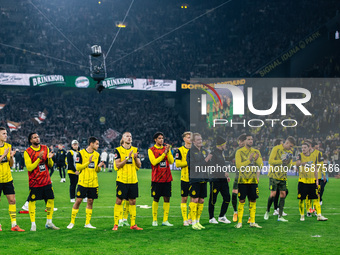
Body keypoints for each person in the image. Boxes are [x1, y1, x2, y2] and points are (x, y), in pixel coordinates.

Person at [67, 137, 104, 229]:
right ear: (91, 144)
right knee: (78, 201)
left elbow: (96, 170)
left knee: (90, 201)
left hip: (93, 182)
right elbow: (78, 168)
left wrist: (99, 167)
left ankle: (87, 223)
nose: (98, 146)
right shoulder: (81, 153)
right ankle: (72, 222)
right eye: (97, 144)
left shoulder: (97, 155)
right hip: (83, 182)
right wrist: (88, 162)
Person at [24, 132, 59, 231]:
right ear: (30, 140)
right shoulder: (27, 152)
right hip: (35, 182)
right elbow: (30, 167)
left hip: (46, 181)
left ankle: (49, 222)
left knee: (50, 200)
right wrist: (38, 158)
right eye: (35, 138)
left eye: (38, 137)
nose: (37, 139)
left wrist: (50, 159)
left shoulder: (45, 148)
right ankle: (33, 224)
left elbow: (50, 165)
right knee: (32, 201)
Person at [112, 132, 143, 231]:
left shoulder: (135, 150)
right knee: (119, 201)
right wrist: (127, 158)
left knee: (133, 201)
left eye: (130, 136)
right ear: (123, 138)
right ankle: (116, 224)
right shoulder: (117, 150)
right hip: (122, 180)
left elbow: (139, 165)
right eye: (127, 136)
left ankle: (133, 224)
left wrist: (135, 158)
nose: (129, 138)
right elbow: (117, 165)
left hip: (133, 180)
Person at [235, 134, 263, 229]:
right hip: (242, 180)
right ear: (245, 141)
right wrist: (249, 160)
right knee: (241, 200)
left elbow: (261, 165)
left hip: (253, 180)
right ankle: (239, 222)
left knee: (253, 200)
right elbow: (238, 166)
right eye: (248, 139)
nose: (251, 141)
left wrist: (257, 159)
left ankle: (253, 222)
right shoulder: (239, 152)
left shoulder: (256, 151)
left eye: (252, 139)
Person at [264, 137, 295, 222]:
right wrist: (282, 161)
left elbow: (288, 166)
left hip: (283, 175)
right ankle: (267, 211)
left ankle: (280, 216)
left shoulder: (289, 152)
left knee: (283, 194)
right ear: (287, 143)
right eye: (290, 146)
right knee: (273, 194)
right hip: (274, 175)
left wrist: (288, 164)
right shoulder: (276, 148)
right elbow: (270, 161)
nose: (291, 148)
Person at [0, 127, 25, 231]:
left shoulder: (8, 146)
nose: (6, 135)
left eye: (6, 133)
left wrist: (10, 157)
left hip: (7, 178)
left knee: (12, 200)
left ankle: (14, 225)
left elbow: (11, 164)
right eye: (3, 134)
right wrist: (4, 155)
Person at [148, 132, 174, 227]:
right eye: (159, 138)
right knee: (156, 198)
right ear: (155, 139)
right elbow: (154, 162)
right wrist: (164, 154)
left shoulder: (166, 149)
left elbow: (171, 161)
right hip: (157, 179)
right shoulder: (151, 150)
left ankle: (165, 220)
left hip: (167, 178)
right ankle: (154, 220)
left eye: (162, 138)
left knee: (167, 199)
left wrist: (169, 151)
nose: (161, 140)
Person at [296, 143, 327, 222]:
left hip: (312, 181)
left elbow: (315, 169)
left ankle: (319, 215)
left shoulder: (314, 157)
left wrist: (316, 180)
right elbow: (297, 164)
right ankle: (302, 215)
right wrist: (305, 163)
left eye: (305, 147)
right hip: (302, 181)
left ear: (309, 148)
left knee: (316, 198)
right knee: (302, 199)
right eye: (302, 147)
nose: (303, 149)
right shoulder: (300, 155)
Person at [187, 133, 212, 230]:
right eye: (198, 140)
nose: (200, 141)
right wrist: (206, 160)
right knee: (195, 199)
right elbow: (192, 166)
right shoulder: (191, 152)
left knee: (201, 200)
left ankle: (198, 221)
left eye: (201, 139)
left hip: (204, 178)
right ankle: (193, 222)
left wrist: (210, 160)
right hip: (195, 178)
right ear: (193, 142)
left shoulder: (204, 151)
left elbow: (208, 165)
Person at [208, 136, 231, 224]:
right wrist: (223, 173)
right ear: (221, 144)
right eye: (225, 144)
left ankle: (222, 216)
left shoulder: (222, 153)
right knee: (213, 199)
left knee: (227, 198)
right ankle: (211, 218)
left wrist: (225, 175)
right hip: (215, 180)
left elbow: (222, 165)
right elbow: (213, 167)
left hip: (223, 179)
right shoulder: (213, 153)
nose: (226, 145)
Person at [225, 133, 246, 222]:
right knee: (234, 193)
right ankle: (235, 212)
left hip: (248, 176)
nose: (239, 143)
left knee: (248, 195)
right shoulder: (237, 150)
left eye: (241, 141)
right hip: (238, 175)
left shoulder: (252, 150)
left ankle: (249, 216)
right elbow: (229, 158)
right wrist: (220, 157)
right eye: (239, 142)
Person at [175, 131, 192, 226]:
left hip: (194, 178)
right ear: (184, 139)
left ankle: (190, 218)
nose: (190, 139)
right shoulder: (180, 150)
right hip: (185, 178)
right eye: (188, 137)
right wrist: (189, 162)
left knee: (193, 199)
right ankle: (185, 219)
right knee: (184, 199)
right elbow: (177, 164)